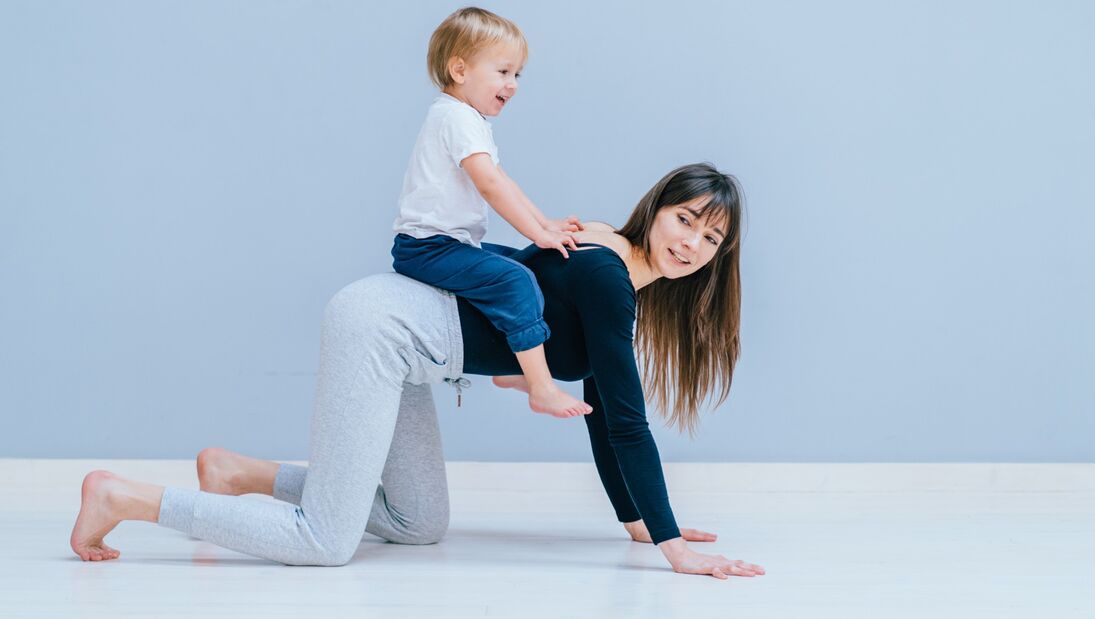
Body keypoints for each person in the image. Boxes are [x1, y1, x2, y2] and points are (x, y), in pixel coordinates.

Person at [69, 163, 766, 580]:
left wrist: (639, 521)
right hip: (384, 327)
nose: (691, 243)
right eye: (685, 219)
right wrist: (674, 545)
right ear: (658, 207)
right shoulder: (607, 273)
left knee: (418, 520)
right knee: (325, 541)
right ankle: (126, 498)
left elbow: (598, 416)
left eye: (711, 238)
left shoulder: (604, 263)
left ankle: (238, 474)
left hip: (410, 353)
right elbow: (627, 419)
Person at [391, 7, 591, 418]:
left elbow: (504, 179)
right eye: (502, 72)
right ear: (460, 70)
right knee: (516, 279)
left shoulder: (467, 119)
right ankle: (540, 386)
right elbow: (490, 185)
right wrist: (539, 234)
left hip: (448, 244)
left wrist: (544, 224)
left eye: (517, 75)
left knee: (524, 264)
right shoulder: (455, 117)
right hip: (427, 248)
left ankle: (517, 368)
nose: (512, 85)